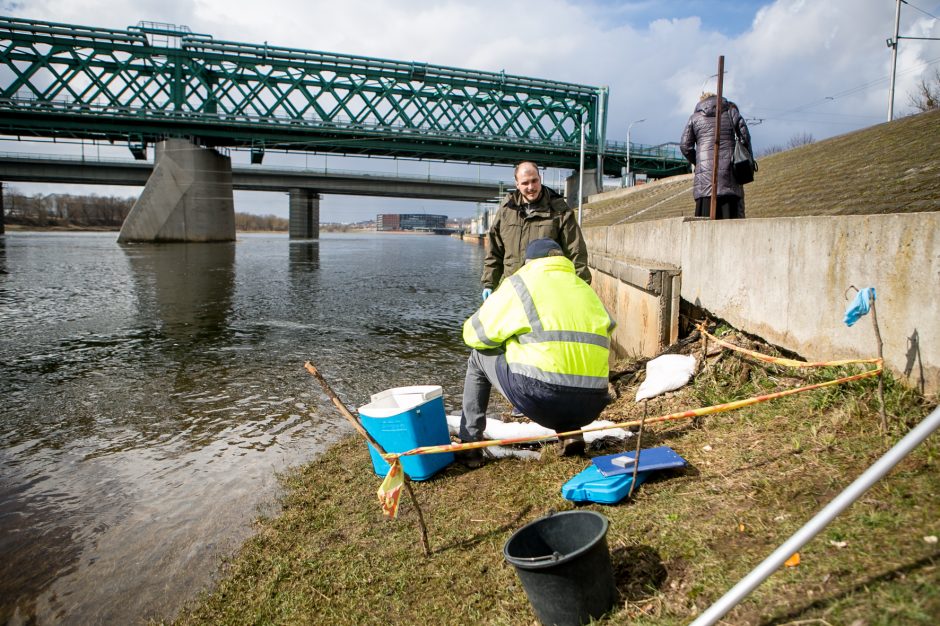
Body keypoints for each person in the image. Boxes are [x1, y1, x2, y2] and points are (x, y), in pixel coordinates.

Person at [456, 238, 616, 468]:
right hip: (592, 404)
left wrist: (510, 339)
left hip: (542, 397)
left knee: (478, 356)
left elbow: (475, 335)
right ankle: (570, 433)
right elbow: (608, 328)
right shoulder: (585, 288)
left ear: (529, 262)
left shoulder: (520, 283)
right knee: (566, 362)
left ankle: (469, 445)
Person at [481, 161, 590, 301]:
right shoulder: (507, 210)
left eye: (534, 181)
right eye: (525, 183)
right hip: (512, 293)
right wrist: (489, 284)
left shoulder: (559, 211)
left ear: (540, 179)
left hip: (546, 295)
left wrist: (581, 288)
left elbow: (576, 252)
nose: (531, 187)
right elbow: (494, 251)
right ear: (517, 184)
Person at [679, 92, 752, 219]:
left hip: (705, 184)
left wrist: (699, 162)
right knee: (730, 228)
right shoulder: (731, 112)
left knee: (705, 228)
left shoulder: (694, 118)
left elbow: (685, 146)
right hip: (729, 180)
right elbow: (745, 138)